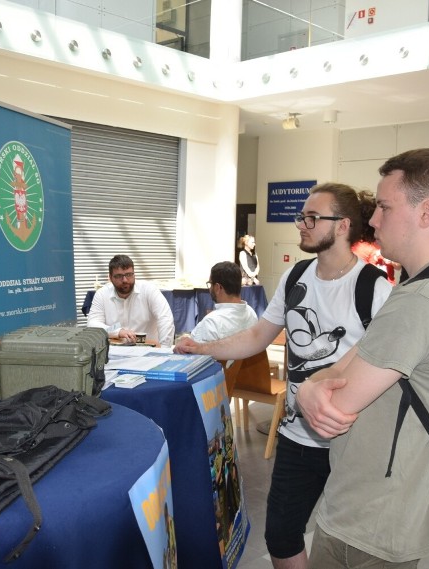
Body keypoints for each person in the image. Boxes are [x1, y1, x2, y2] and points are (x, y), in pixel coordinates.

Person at [176, 183, 392, 569]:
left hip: (351, 441)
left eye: (312, 218)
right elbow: (258, 335)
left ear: (342, 226)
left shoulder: (374, 288)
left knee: (347, 545)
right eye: (301, 216)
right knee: (280, 533)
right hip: (297, 435)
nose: (301, 225)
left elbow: (386, 365)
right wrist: (201, 348)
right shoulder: (297, 276)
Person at [296, 148, 429, 567]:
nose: (374, 219)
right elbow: (346, 365)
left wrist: (307, 388)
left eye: (384, 206)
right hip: (402, 501)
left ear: (427, 213)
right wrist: (319, 382)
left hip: (366, 522)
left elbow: (335, 404)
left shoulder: (422, 300)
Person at [87, 255, 175, 347]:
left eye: (129, 275)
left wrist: (164, 349)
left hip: (148, 351)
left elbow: (165, 319)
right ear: (110, 277)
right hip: (114, 352)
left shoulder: (148, 290)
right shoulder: (102, 294)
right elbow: (93, 324)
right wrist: (117, 331)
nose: (125, 280)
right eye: (119, 276)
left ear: (134, 274)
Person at [188, 261, 258, 344]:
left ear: (218, 287)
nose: (210, 289)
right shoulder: (252, 313)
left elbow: (195, 353)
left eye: (210, 284)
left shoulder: (211, 323)